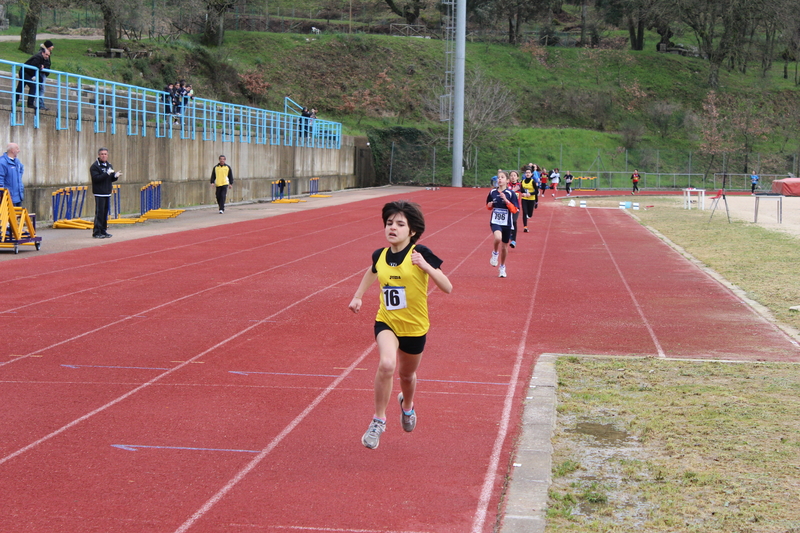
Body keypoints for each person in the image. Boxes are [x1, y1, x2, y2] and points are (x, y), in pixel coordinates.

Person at [349, 200, 453, 450]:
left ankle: (407, 406)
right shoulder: (380, 255)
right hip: (387, 322)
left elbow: (448, 287)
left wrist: (427, 267)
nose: (392, 228)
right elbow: (372, 270)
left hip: (415, 328)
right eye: (389, 223)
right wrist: (358, 295)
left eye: (399, 224)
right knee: (386, 364)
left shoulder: (421, 253)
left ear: (412, 231)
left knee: (407, 376)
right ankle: (378, 420)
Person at [487, 170, 519, 278]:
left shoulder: (511, 194)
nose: (499, 179)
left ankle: (502, 267)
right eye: (498, 177)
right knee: (497, 238)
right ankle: (495, 253)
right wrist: (490, 205)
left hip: (507, 223)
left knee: (505, 247)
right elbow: (488, 205)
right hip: (495, 221)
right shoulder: (492, 192)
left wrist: (507, 201)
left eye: (502, 177)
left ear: (507, 180)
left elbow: (515, 210)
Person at [90, 147, 121, 239]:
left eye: (105, 154)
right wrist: (106, 174)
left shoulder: (109, 165)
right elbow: (96, 179)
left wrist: (115, 176)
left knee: (105, 213)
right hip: (99, 192)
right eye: (102, 154)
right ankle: (96, 232)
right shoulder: (95, 166)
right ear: (99, 155)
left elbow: (110, 178)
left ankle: (103, 230)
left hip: (107, 192)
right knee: (99, 213)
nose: (104, 155)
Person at [37, 40, 54, 111]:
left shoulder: (45, 52)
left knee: (41, 89)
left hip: (43, 73)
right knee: (41, 89)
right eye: (51, 47)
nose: (52, 48)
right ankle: (40, 105)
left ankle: (41, 104)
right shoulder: (42, 53)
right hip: (41, 73)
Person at [520, 167, 537, 232]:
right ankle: (525, 227)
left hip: (531, 199)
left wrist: (530, 193)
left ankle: (529, 215)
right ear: (525, 174)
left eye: (529, 173)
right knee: (524, 212)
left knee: (530, 214)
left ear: (531, 174)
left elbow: (537, 191)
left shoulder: (533, 182)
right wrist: (523, 193)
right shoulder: (522, 181)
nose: (527, 174)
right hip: (524, 199)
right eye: (526, 173)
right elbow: (521, 190)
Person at [508, 170, 521, 248]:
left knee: (514, 221)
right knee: (508, 223)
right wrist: (513, 190)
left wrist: (527, 194)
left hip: (516, 207)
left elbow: (525, 192)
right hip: (508, 207)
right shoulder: (507, 185)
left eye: (514, 175)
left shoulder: (520, 185)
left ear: (517, 177)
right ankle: (509, 235)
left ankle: (514, 240)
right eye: (511, 175)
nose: (513, 177)